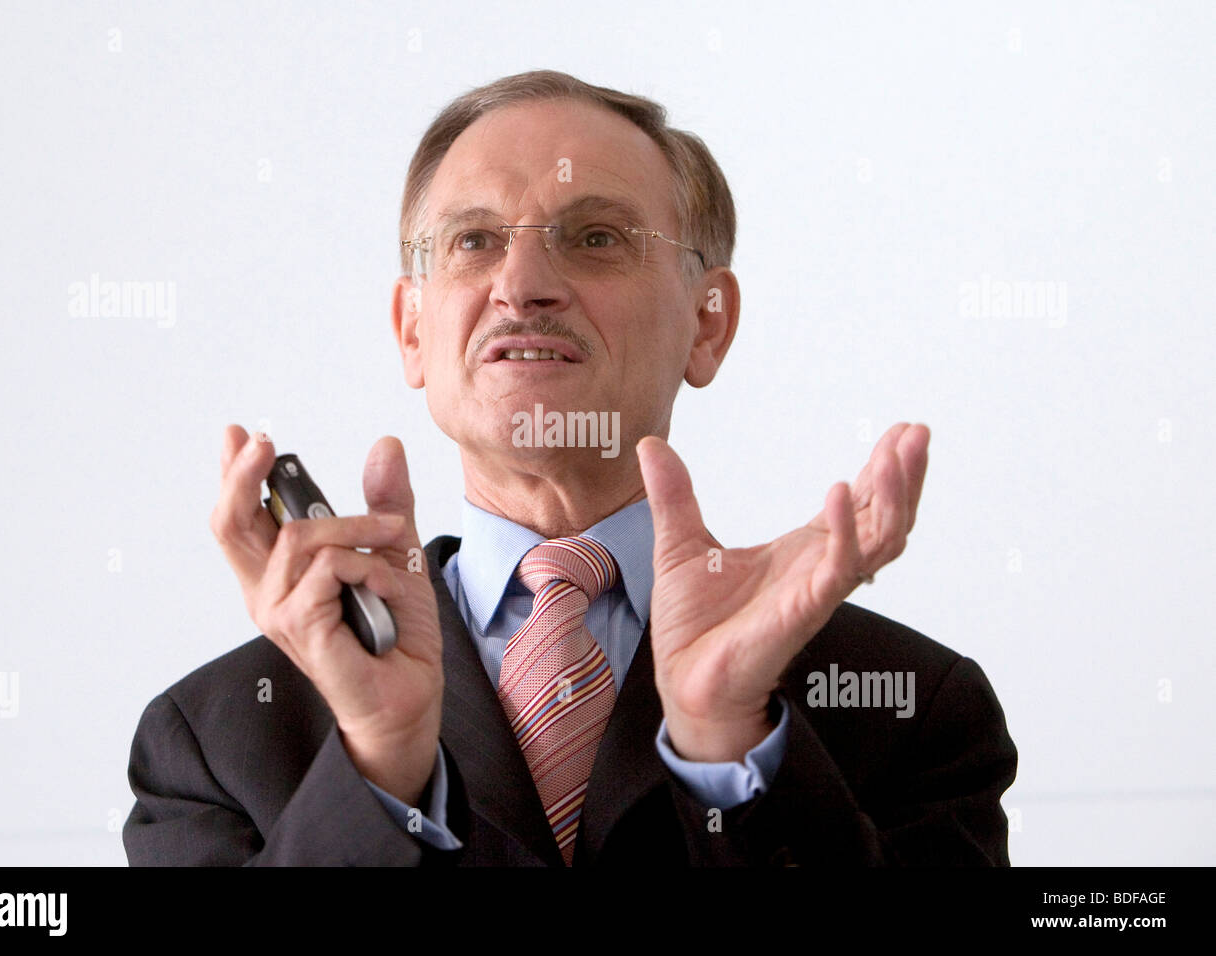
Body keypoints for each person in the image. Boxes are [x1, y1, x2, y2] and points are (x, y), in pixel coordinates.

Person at [123, 69, 1017, 866]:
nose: (522, 286)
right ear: (412, 329)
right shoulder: (210, 742)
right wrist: (379, 770)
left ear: (707, 323)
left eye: (594, 238)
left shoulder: (914, 709)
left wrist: (728, 745)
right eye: (474, 241)